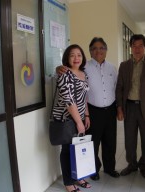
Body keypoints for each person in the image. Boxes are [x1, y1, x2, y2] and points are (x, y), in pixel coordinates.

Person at [56, 37, 120, 180]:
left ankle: (110, 168)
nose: (98, 51)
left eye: (101, 48)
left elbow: (116, 88)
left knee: (110, 141)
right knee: (93, 142)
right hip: (92, 110)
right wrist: (58, 67)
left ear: (106, 50)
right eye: (94, 48)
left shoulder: (112, 68)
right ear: (90, 52)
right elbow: (69, 73)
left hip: (110, 110)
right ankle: (94, 170)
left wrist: (118, 108)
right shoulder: (85, 68)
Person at [116, 34, 145, 179]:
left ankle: (144, 166)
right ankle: (132, 164)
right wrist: (119, 108)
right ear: (130, 47)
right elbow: (119, 88)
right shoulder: (124, 66)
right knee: (129, 139)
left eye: (140, 46)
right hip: (129, 107)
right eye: (134, 46)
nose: (137, 49)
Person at [52, 44, 91, 192]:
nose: (76, 58)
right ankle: (68, 183)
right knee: (67, 150)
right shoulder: (65, 74)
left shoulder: (83, 73)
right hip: (66, 119)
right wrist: (78, 122)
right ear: (67, 58)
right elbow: (69, 101)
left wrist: (86, 115)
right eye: (72, 55)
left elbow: (84, 97)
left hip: (79, 117)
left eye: (79, 55)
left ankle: (78, 176)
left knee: (78, 148)